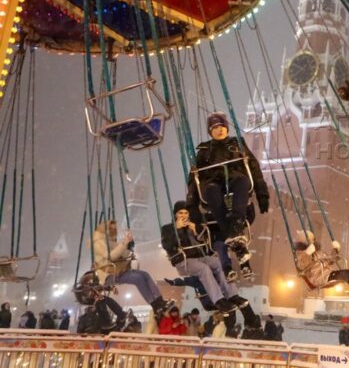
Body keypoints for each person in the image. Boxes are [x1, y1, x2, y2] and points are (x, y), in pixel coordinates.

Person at [187, 112, 270, 279]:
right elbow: (193, 180)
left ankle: (234, 229)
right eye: (214, 128)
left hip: (234, 177)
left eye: (221, 126)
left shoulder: (237, 144)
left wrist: (262, 194)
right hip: (213, 182)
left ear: (227, 128)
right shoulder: (203, 150)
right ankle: (237, 241)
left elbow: (253, 167)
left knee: (243, 182)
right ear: (210, 131)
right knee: (210, 190)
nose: (219, 130)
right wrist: (192, 208)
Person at [161, 201, 245, 316]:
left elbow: (205, 242)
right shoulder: (167, 229)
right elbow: (168, 246)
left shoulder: (192, 226)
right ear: (175, 214)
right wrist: (178, 229)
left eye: (186, 213)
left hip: (199, 257)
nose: (183, 215)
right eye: (180, 213)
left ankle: (233, 295)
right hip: (183, 261)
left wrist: (196, 231)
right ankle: (219, 301)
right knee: (204, 269)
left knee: (218, 262)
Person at [92, 220, 173, 318]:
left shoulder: (111, 242)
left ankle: (160, 301)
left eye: (115, 229)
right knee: (137, 279)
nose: (114, 231)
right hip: (108, 274)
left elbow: (122, 253)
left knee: (144, 274)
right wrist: (124, 243)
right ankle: (154, 305)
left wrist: (129, 249)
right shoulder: (99, 243)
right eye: (111, 229)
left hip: (118, 270)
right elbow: (111, 257)